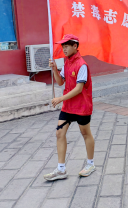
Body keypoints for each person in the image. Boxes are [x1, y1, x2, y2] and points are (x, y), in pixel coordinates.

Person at [44, 34, 95, 181]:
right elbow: (61, 82)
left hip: (82, 106)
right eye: (62, 46)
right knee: (59, 133)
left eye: (66, 46)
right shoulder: (66, 63)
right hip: (68, 106)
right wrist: (54, 69)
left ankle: (90, 164)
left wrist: (60, 98)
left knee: (85, 134)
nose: (64, 49)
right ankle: (61, 169)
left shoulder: (82, 65)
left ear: (75, 46)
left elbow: (79, 89)